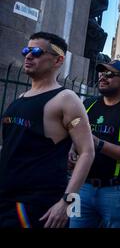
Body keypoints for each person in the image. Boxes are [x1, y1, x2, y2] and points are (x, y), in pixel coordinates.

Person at [0, 32, 95, 228]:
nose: (28, 56)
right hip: (6, 197)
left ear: (58, 60)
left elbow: (87, 151)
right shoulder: (21, 97)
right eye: (26, 50)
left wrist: (66, 203)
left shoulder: (66, 99)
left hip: (38, 205)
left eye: (37, 52)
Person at [69, 60, 120, 228]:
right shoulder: (87, 105)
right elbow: (75, 133)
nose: (103, 77)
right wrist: (72, 149)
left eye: (110, 74)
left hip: (118, 191)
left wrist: (98, 143)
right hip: (82, 187)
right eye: (101, 73)